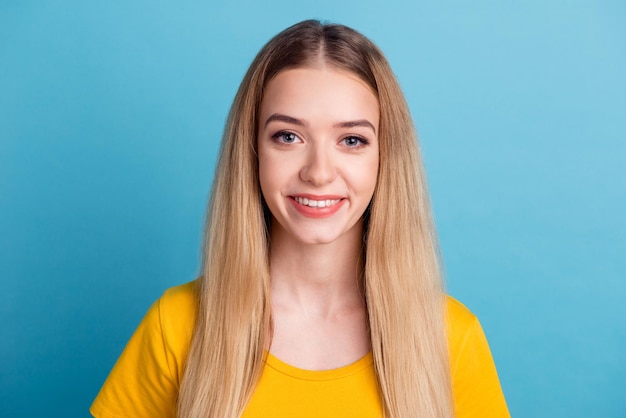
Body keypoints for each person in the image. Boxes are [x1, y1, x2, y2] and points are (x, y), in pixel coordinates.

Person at [90, 20, 509, 418]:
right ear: (252, 152)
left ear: (386, 159)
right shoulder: (177, 325)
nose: (319, 171)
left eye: (352, 140)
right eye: (288, 136)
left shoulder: (451, 339)